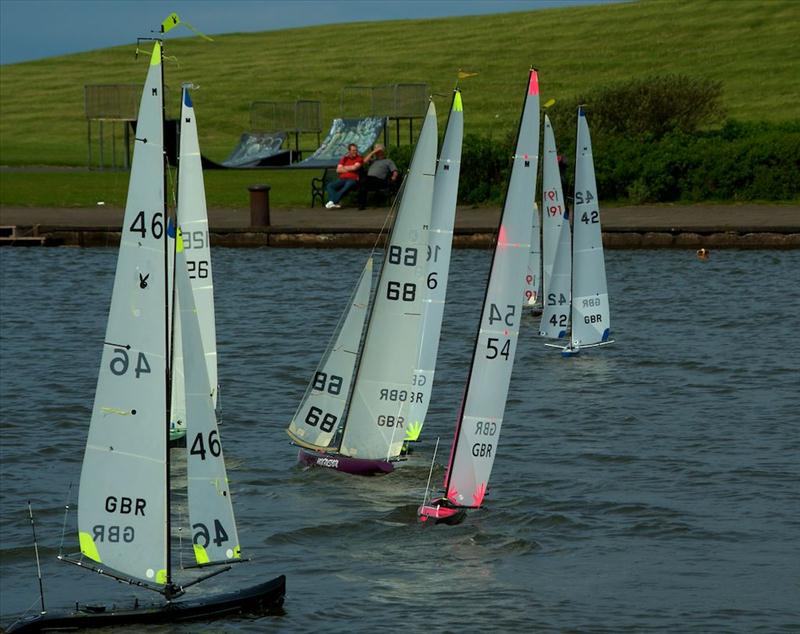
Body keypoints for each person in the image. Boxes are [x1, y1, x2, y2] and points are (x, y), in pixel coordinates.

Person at [357, 143, 399, 210]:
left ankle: (361, 204)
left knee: (363, 181)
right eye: (376, 150)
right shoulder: (373, 161)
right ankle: (361, 205)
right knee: (363, 183)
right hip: (369, 180)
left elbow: (395, 171)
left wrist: (394, 177)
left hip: (379, 181)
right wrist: (373, 152)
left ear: (382, 151)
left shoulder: (388, 161)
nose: (376, 152)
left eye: (378, 150)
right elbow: (364, 161)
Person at [325, 143, 362, 209]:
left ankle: (332, 201)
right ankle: (335, 202)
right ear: (349, 151)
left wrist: (343, 168)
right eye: (353, 150)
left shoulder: (359, 158)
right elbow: (338, 170)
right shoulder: (344, 159)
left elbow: (354, 168)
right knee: (330, 186)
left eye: (356, 150)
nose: (355, 152)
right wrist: (349, 168)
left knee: (347, 186)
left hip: (352, 180)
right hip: (342, 179)